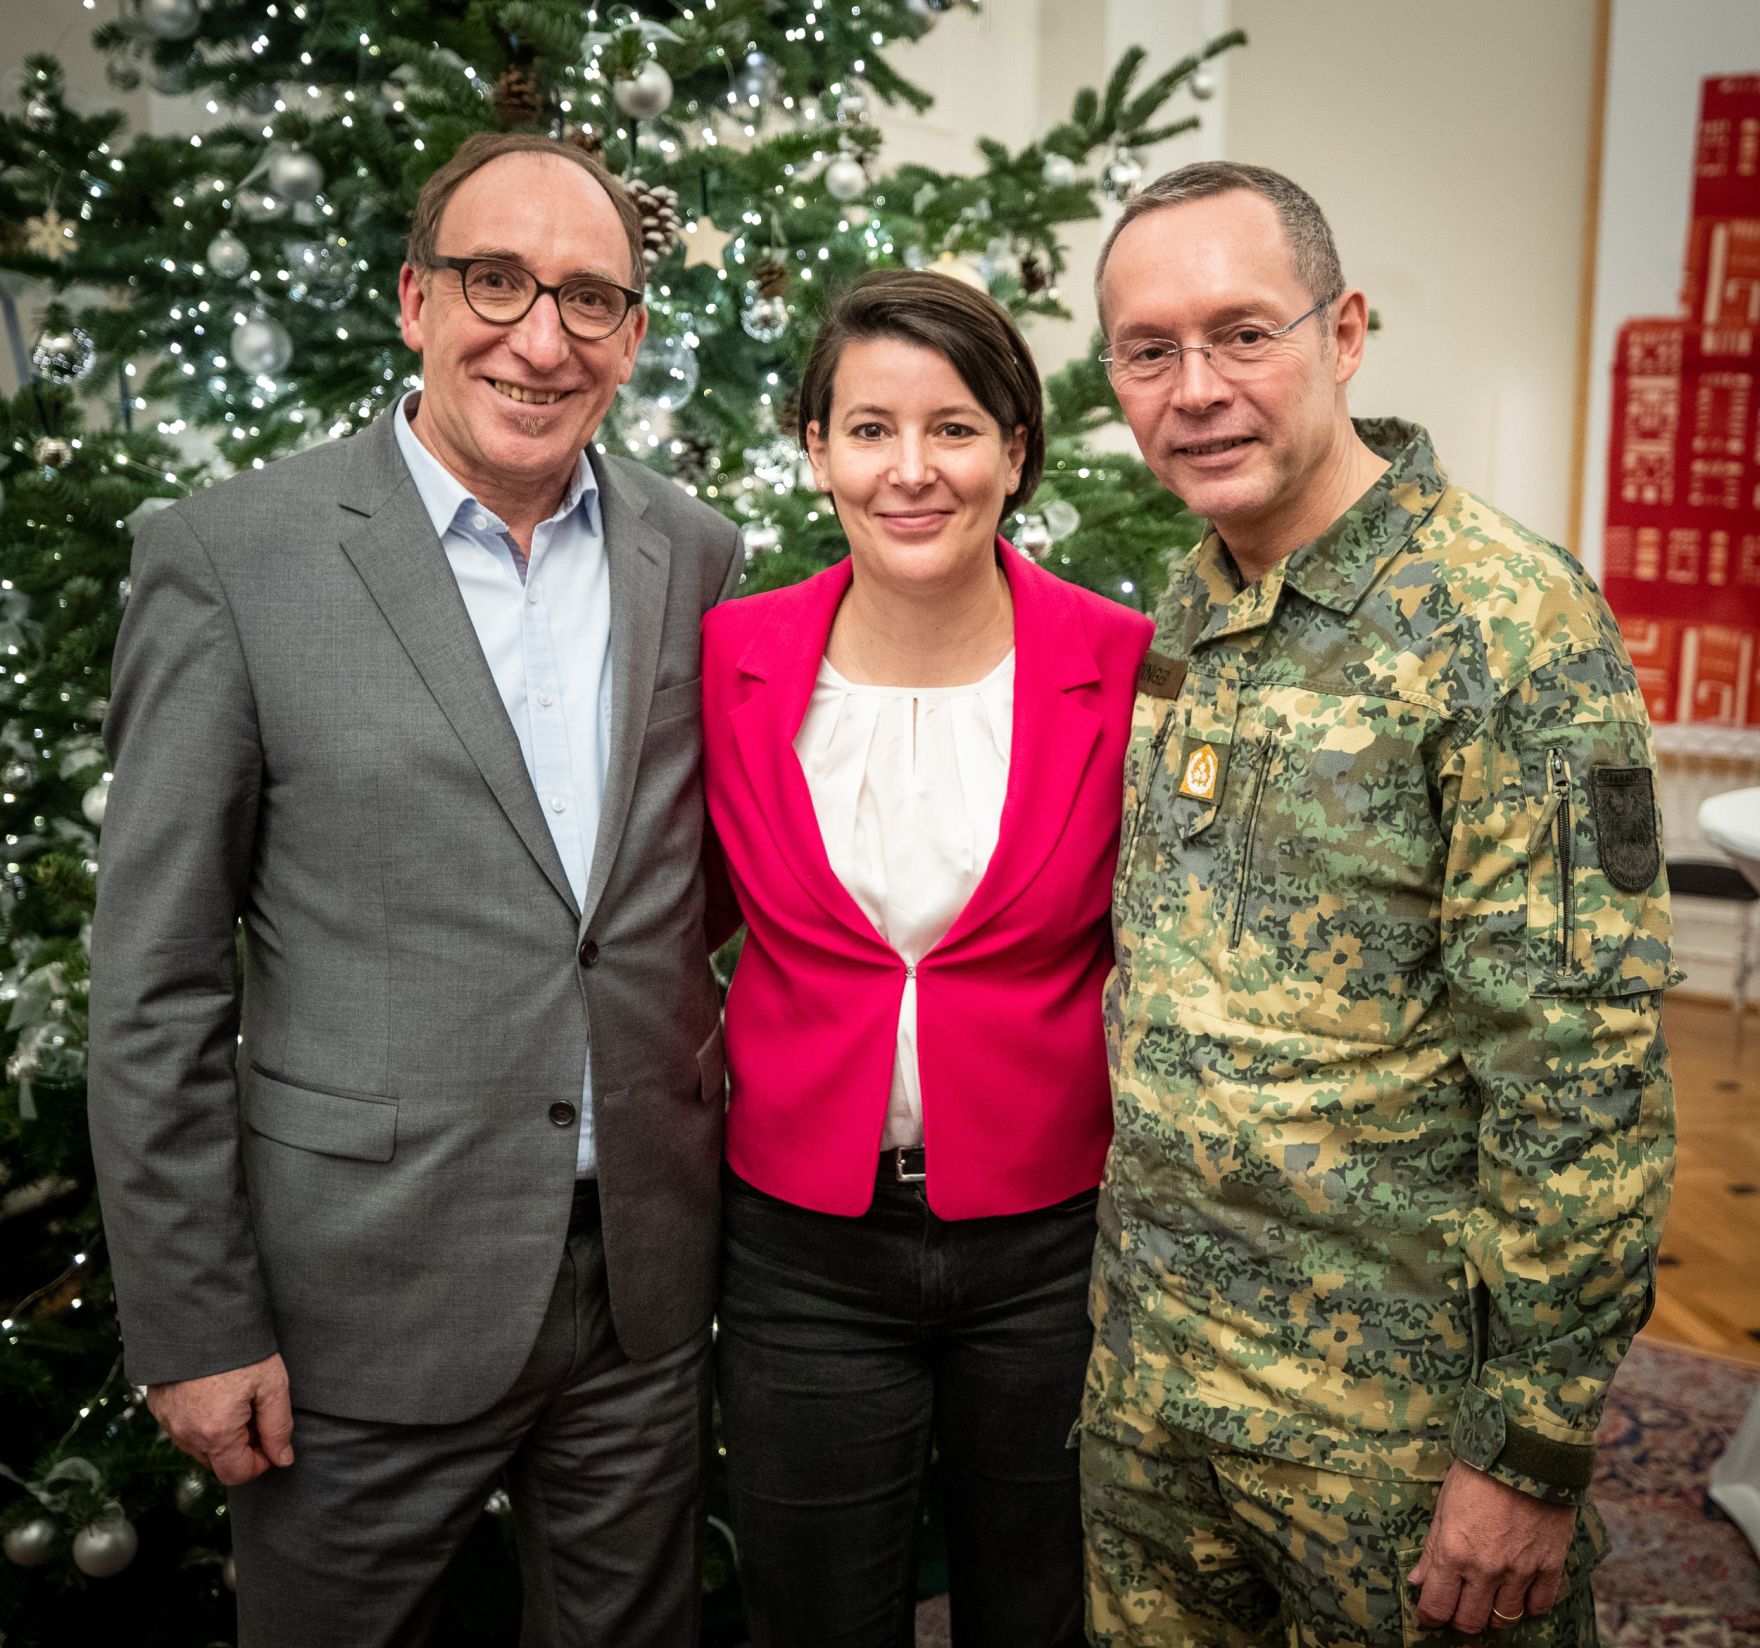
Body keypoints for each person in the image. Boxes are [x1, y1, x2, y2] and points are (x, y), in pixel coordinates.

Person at [86, 131, 743, 1647]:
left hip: (642, 1292)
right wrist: (194, 1318)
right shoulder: (230, 559)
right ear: (414, 300)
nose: (541, 340)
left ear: (633, 332)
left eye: (588, 299)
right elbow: (157, 978)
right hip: (359, 1300)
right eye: (495, 281)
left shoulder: (694, 552)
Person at [1079, 160, 1677, 1647]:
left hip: (1391, 1440)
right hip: (1157, 1391)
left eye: (1244, 334)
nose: (1196, 389)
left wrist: (1528, 1449)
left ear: (1344, 332)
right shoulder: (1192, 601)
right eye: (1149, 352)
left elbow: (1581, 1075)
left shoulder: (1506, 623)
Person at [700, 269, 1153, 1647]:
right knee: (815, 1614)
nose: (912, 470)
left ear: (1014, 453)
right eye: (870, 429)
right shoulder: (728, 659)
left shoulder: (1124, 662)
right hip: (803, 1247)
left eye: (953, 429)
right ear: (817, 451)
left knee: (1044, 1608)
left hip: (1053, 1240)